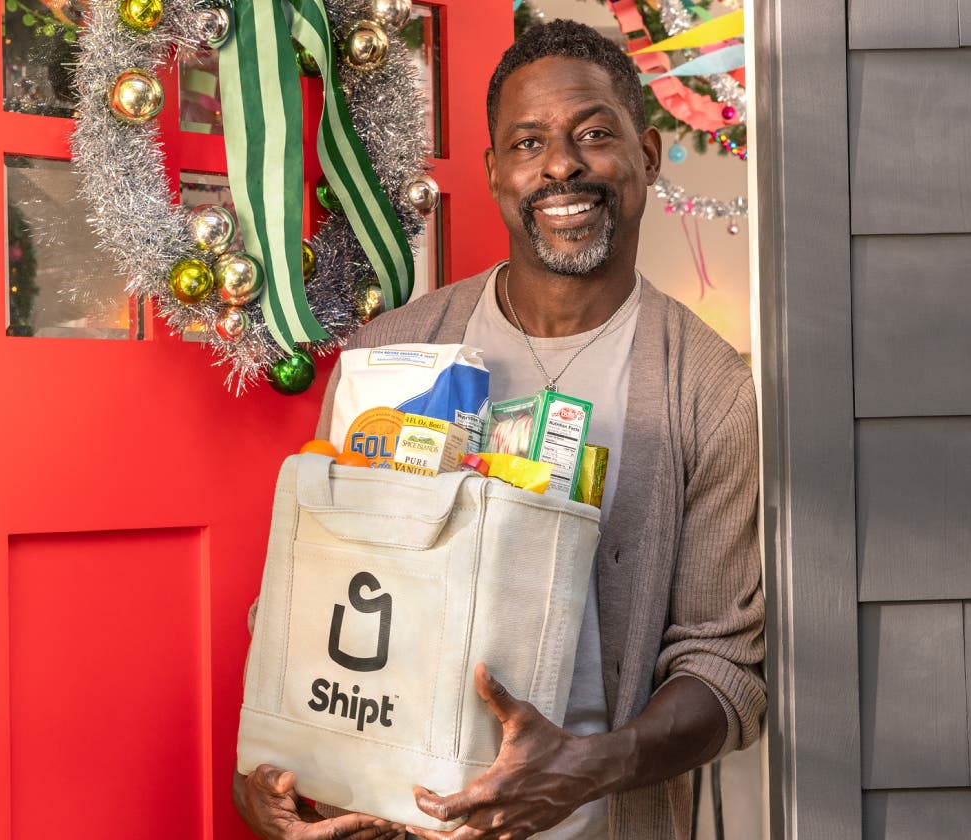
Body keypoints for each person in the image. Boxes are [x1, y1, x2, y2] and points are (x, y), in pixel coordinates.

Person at [233, 19, 765, 840]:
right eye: (528, 142)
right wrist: (273, 766)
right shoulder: (388, 359)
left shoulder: (709, 390)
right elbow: (313, 598)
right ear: (494, 171)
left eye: (594, 134)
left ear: (649, 154)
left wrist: (588, 769)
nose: (561, 165)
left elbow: (726, 668)